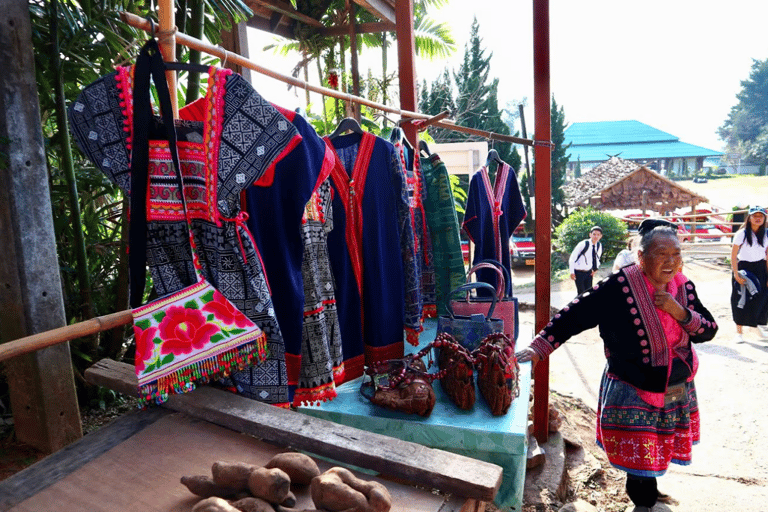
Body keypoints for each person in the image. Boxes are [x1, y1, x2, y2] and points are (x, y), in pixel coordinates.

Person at [516, 219, 718, 512]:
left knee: (658, 449)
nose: (671, 262)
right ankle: (644, 503)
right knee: (640, 462)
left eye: (676, 254)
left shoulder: (683, 286)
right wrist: (539, 347)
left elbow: (709, 330)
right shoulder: (619, 286)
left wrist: (679, 311)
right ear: (640, 256)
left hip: (675, 384)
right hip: (631, 387)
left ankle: (649, 495)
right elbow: (576, 314)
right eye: (662, 255)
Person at [730, 205, 768, 343]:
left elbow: (767, 255)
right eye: (755, 216)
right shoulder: (742, 234)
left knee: (762, 298)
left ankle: (756, 326)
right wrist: (735, 273)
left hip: (760, 267)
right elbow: (734, 255)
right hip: (744, 267)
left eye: (761, 216)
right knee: (740, 298)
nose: (758, 219)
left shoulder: (766, 233)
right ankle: (739, 332)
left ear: (764, 218)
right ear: (749, 217)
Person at [569, 225, 603, 295]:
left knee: (589, 293)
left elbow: (597, 258)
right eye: (594, 234)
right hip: (579, 272)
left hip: (589, 272)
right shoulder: (583, 244)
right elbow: (572, 258)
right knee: (581, 293)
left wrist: (595, 269)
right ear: (590, 234)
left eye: (598, 235)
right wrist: (572, 272)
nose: (596, 236)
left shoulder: (599, 245)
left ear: (601, 236)